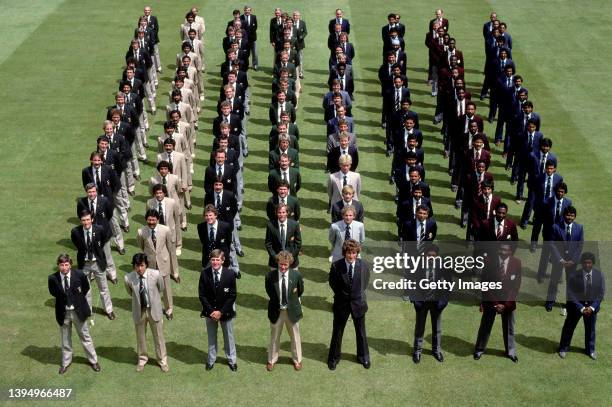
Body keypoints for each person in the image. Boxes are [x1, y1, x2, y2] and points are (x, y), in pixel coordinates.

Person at [48, 254, 101, 374]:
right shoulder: (52, 278)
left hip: (79, 312)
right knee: (65, 339)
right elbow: (53, 292)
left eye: (66, 264)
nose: (64, 267)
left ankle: (93, 361)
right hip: (63, 313)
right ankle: (66, 362)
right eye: (61, 265)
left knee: (85, 336)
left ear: (70, 265)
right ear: (58, 265)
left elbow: (86, 288)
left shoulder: (80, 275)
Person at [474, 243, 521, 363]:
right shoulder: (489, 262)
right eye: (501, 249)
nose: (503, 252)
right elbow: (485, 284)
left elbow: (516, 286)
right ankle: (479, 349)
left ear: (510, 251)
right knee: (485, 326)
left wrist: (506, 304)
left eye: (505, 250)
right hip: (491, 300)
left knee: (509, 327)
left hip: (508, 302)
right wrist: (495, 304)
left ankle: (510, 352)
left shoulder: (516, 262)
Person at [328, 239, 370, 370]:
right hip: (341, 304)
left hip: (359, 303)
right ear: (344, 253)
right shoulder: (336, 266)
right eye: (348, 253)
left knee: (361, 332)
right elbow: (333, 284)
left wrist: (355, 295)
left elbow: (365, 282)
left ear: (357, 253)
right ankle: (334, 358)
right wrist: (343, 295)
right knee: (337, 332)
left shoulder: (363, 266)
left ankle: (363, 357)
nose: (351, 256)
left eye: (353, 253)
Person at [124, 253, 168, 372]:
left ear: (146, 265)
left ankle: (162, 361)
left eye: (142, 265)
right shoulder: (128, 278)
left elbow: (161, 288)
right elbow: (130, 293)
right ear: (134, 266)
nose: (139, 269)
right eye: (137, 266)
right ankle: (142, 359)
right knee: (141, 337)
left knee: (159, 337)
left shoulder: (156, 274)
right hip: (140, 311)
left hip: (154, 310)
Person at [408, 244, 451, 363]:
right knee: (420, 327)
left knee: (437, 328)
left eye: (434, 255)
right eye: (429, 255)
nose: (431, 257)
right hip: (422, 302)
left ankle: (436, 351)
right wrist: (415, 300)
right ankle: (417, 351)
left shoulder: (442, 265)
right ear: (425, 255)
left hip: (437, 303)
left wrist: (444, 301)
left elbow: (448, 284)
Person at [558, 252, 605, 360]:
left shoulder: (599, 275)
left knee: (591, 329)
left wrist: (592, 307)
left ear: (593, 263)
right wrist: (581, 307)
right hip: (576, 308)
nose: (587, 265)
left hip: (592, 309)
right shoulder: (574, 275)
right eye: (585, 263)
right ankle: (563, 348)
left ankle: (590, 350)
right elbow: (570, 293)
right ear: (581, 263)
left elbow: (601, 293)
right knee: (569, 328)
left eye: (589, 263)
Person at [71, 210, 115, 320]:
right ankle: (87, 310)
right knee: (86, 289)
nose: (86, 222)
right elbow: (76, 244)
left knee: (104, 288)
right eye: (83, 220)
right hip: (84, 264)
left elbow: (104, 240)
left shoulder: (99, 229)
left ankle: (108, 310)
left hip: (98, 263)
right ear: (80, 221)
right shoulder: (76, 232)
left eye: (87, 220)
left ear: (92, 219)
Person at [198, 250, 238, 371]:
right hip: (210, 313)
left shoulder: (230, 274)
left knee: (229, 337)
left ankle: (232, 360)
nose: (215, 262)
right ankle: (211, 359)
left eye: (217, 260)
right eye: (213, 260)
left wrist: (220, 312)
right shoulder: (204, 273)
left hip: (225, 313)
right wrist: (212, 311)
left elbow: (232, 295)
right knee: (211, 337)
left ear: (223, 260)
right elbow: (202, 295)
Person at [137, 209, 179, 320]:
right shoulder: (141, 232)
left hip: (163, 263)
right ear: (146, 219)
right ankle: (154, 308)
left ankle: (169, 309)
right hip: (150, 265)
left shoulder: (166, 230)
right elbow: (142, 247)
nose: (151, 222)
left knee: (166, 289)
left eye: (153, 220)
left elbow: (170, 248)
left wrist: (173, 269)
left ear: (158, 219)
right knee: (151, 288)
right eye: (149, 220)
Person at [265, 251, 304, 371]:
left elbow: (300, 291)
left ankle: (297, 360)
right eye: (281, 264)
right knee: (274, 337)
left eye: (285, 265)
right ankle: (272, 359)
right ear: (277, 262)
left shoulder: (296, 276)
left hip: (292, 311)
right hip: (276, 312)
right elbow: (270, 293)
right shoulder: (270, 277)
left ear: (290, 264)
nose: (283, 267)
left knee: (295, 337)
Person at [546, 206, 584, 312]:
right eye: (568, 215)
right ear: (564, 216)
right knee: (554, 281)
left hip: (572, 261)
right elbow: (552, 245)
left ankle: (570, 303)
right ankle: (549, 302)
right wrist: (561, 260)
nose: (570, 217)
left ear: (575, 216)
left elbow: (580, 246)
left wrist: (573, 260)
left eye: (572, 215)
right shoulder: (555, 227)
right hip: (558, 260)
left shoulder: (579, 228)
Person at [265, 204, 302, 270]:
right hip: (275, 263)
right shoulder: (270, 225)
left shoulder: (295, 225)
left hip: (292, 263)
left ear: (287, 213)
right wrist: (275, 257)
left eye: (283, 212)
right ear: (276, 213)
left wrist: (290, 258)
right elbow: (268, 244)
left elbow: (298, 243)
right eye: (279, 212)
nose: (281, 215)